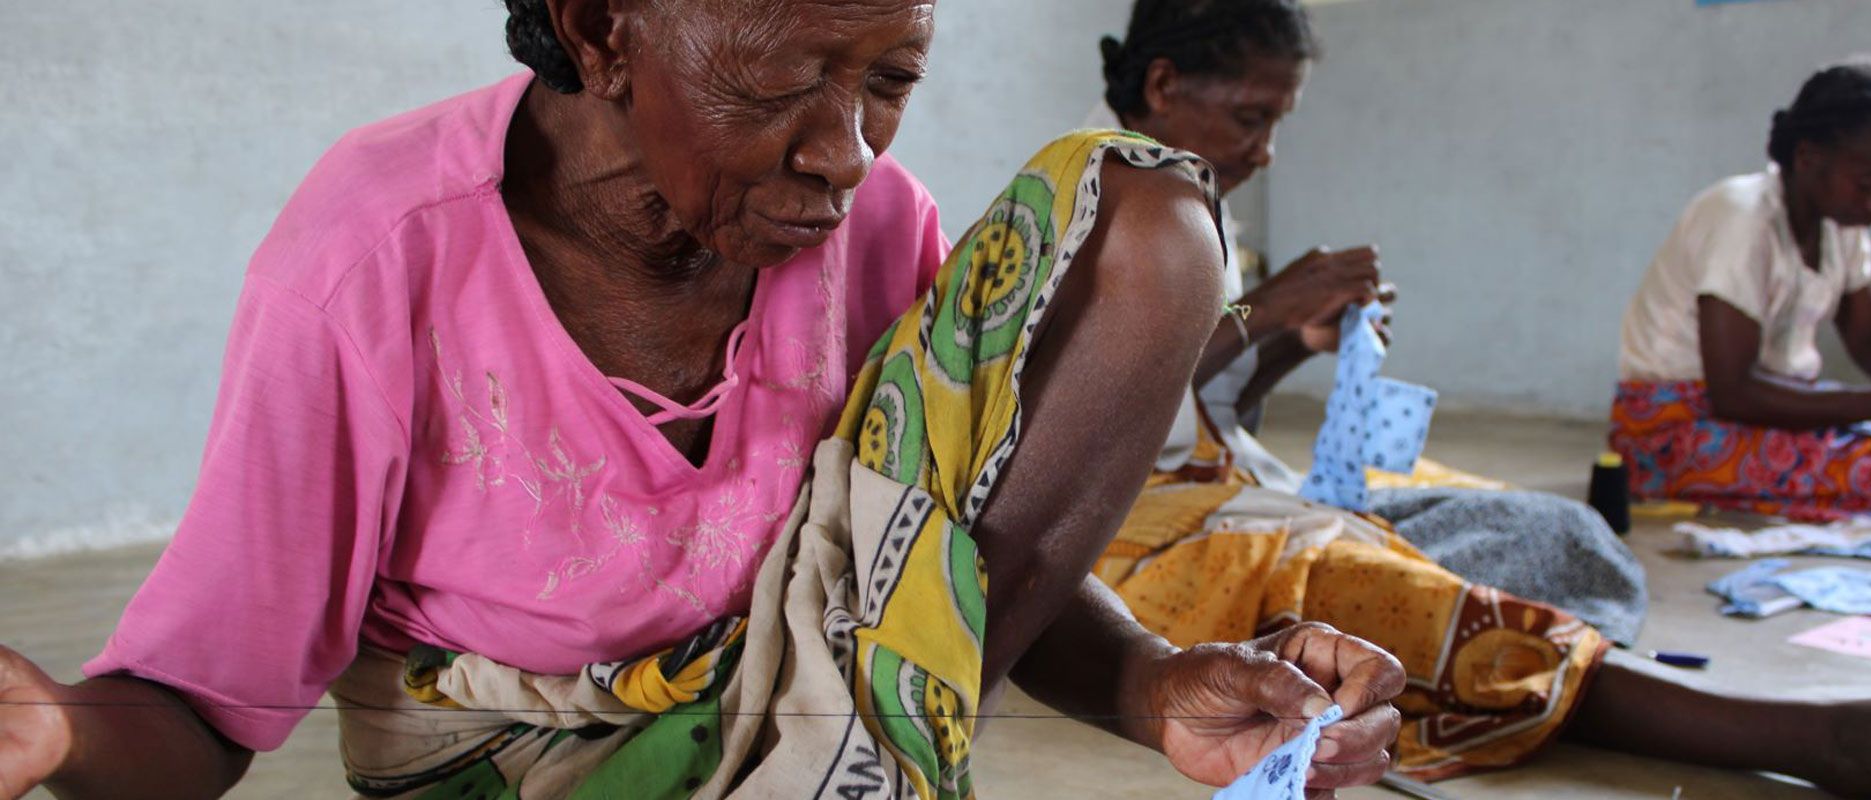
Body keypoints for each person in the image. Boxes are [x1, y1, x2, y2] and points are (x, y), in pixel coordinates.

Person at [0, 2, 1414, 798]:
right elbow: (193, 715)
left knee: (1154, 221)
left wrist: (1159, 684)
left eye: (890, 83)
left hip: (836, 733)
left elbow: (941, 558)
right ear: (600, 29)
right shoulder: (379, 258)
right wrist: (60, 728)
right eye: (786, 84)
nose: (848, 153)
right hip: (520, 770)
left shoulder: (868, 227)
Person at [1086, 2, 1871, 798]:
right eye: (1251, 117)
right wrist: (1269, 308)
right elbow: (1085, 410)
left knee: (1548, 528)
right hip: (1134, 528)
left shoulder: (1191, 194)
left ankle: (1566, 669)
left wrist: (1302, 334)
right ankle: (1821, 739)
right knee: (1404, 597)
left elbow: (1212, 402)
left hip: (1229, 478)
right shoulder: (1083, 194)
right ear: (1163, 84)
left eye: (1276, 121)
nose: (1265, 150)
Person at [1613, 57, 1871, 533]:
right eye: (1867, 183)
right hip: (1674, 433)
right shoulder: (1740, 216)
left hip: (1772, 415)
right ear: (1807, 157)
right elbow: (1733, 392)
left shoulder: (1840, 226)